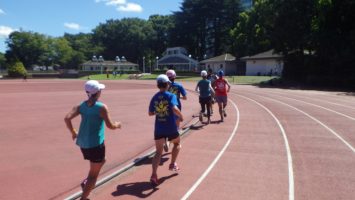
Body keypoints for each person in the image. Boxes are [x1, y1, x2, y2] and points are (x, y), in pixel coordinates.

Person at [64, 80, 121, 200]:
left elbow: (67, 118)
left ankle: (87, 182)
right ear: (98, 92)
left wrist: (73, 132)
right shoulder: (101, 107)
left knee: (101, 161)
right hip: (95, 144)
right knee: (93, 175)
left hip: (83, 143)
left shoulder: (81, 106)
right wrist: (117, 125)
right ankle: (84, 197)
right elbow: (110, 126)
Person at [148, 74, 184, 186]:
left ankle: (154, 174)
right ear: (167, 84)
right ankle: (172, 164)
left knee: (158, 152)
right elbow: (174, 108)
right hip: (170, 127)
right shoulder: (171, 95)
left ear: (158, 85)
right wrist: (181, 116)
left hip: (159, 128)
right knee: (177, 143)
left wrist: (158, 112)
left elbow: (150, 113)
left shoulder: (154, 97)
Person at [164, 69, 187, 152]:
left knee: (168, 126)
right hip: (177, 108)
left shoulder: (165, 86)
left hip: (166, 108)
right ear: (175, 77)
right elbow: (185, 97)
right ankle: (172, 143)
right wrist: (178, 97)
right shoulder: (179, 86)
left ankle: (167, 141)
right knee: (176, 128)